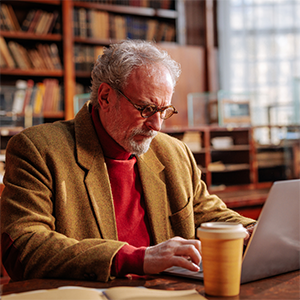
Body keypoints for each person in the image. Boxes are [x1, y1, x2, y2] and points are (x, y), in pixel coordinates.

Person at [0, 40, 256, 282]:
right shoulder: (38, 149)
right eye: (146, 109)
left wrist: (256, 231)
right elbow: (24, 246)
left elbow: (210, 214)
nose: (156, 125)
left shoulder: (175, 153)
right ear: (105, 97)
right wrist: (138, 258)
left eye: (164, 111)